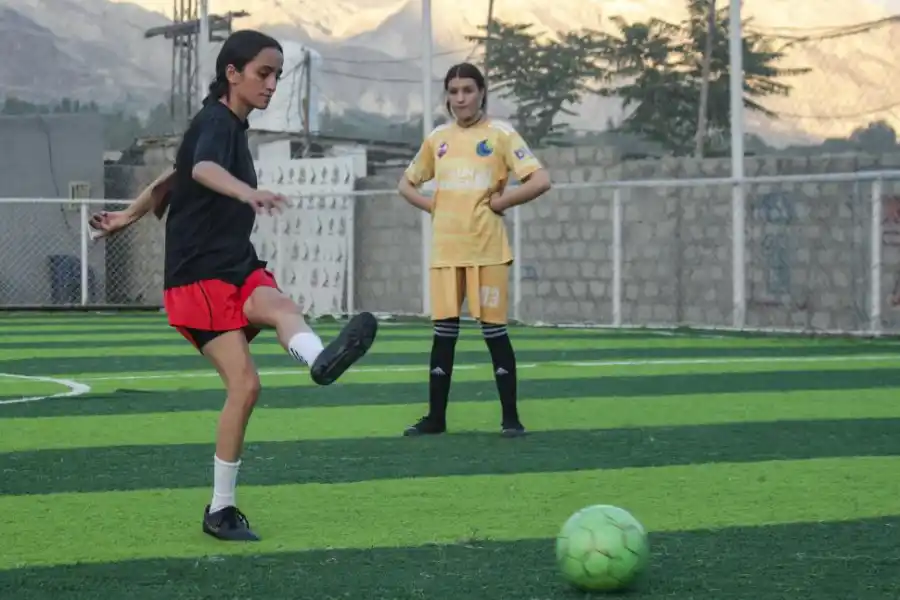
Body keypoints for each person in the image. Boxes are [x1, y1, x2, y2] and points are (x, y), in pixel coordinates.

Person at [89, 29, 378, 542]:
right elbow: (198, 169)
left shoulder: (228, 126)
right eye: (263, 73)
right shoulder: (216, 122)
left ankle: (320, 362)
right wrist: (248, 191)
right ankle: (219, 510)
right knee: (245, 387)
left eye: (277, 76)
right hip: (198, 277)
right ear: (232, 73)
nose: (271, 84)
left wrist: (128, 217)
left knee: (283, 305)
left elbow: (171, 178)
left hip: (235, 266)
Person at [397, 62, 552, 438]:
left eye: (468, 90)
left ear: (482, 92)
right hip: (446, 250)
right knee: (444, 334)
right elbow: (405, 184)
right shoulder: (438, 138)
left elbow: (541, 179)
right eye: (453, 91)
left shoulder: (500, 134)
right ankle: (436, 418)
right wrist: (434, 205)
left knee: (494, 332)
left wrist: (503, 203)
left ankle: (511, 419)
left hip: (487, 249)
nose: (460, 98)